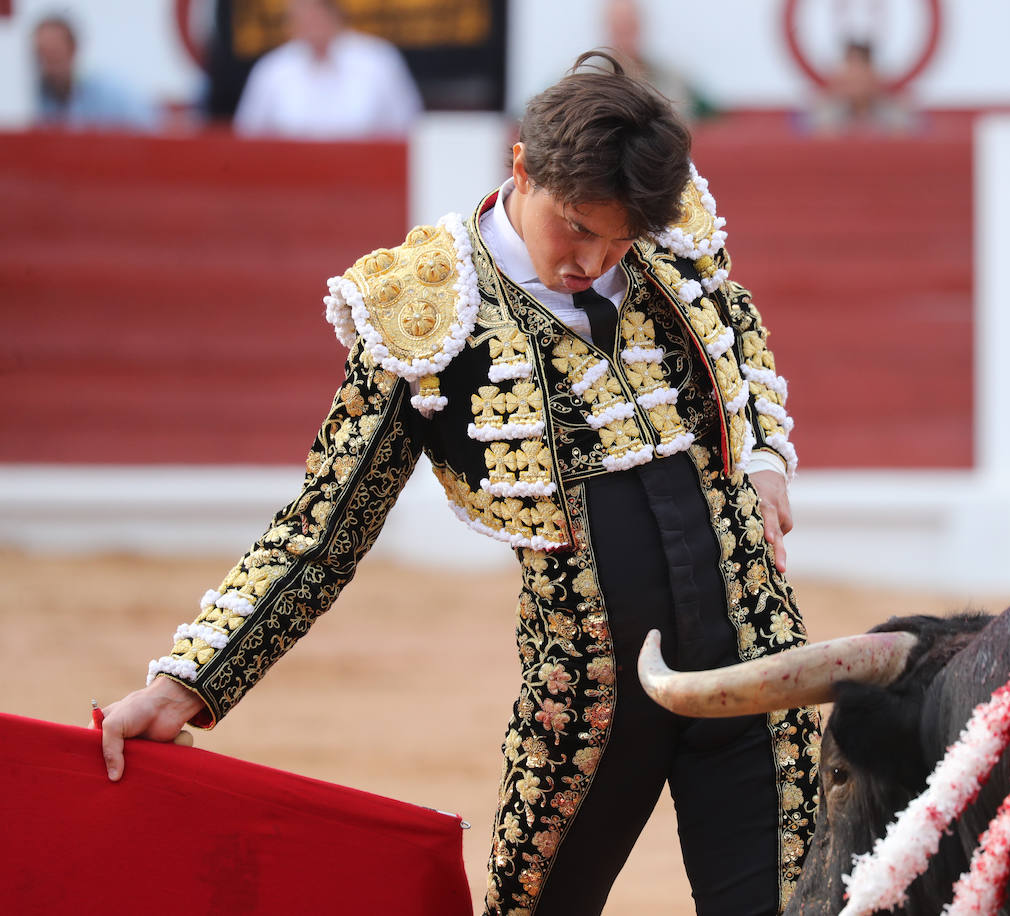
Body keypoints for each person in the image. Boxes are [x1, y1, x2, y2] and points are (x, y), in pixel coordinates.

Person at [98, 51, 818, 916]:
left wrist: (765, 452)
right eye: (579, 228)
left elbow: (735, 321)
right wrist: (187, 680)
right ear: (522, 165)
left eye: (620, 239)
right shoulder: (424, 309)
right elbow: (325, 526)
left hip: (754, 649)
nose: (596, 259)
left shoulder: (666, 228)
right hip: (589, 698)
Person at [233, 0, 422, 140]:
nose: (310, 21)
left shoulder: (378, 62)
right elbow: (247, 137)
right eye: (300, 14)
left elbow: (410, 130)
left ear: (334, 13)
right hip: (291, 183)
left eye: (316, 12)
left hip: (368, 180)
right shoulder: (272, 69)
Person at [33, 15, 161, 131]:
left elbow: (150, 132)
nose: (47, 63)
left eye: (53, 53)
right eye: (41, 55)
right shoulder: (43, 95)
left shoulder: (113, 92)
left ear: (73, 49)